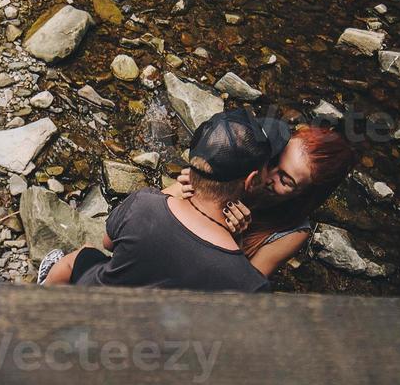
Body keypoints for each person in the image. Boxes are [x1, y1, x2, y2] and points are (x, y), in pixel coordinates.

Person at [39, 111, 273, 292]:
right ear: (251, 180)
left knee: (81, 257)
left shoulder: (143, 205)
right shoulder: (249, 284)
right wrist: (238, 240)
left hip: (98, 313)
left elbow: (108, 243)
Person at [168, 120, 357, 278]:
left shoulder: (293, 233)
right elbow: (151, 207)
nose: (267, 177)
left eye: (284, 180)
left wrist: (235, 238)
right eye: (273, 162)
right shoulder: (246, 164)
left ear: (303, 194)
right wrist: (196, 185)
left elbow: (243, 290)